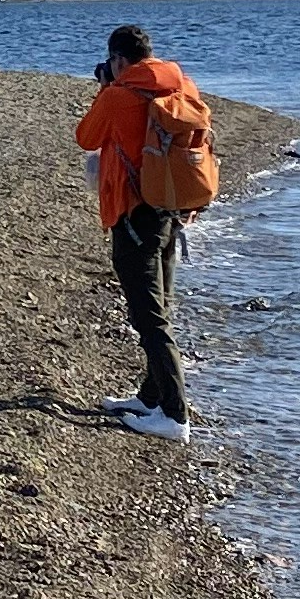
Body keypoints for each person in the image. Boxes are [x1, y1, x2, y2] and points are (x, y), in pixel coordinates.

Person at [75, 22, 198, 443]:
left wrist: (107, 89)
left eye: (111, 61)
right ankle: (151, 396)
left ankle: (174, 414)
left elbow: (85, 136)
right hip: (170, 207)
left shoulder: (118, 95)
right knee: (160, 305)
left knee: (148, 316)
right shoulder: (180, 84)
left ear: (119, 59)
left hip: (132, 212)